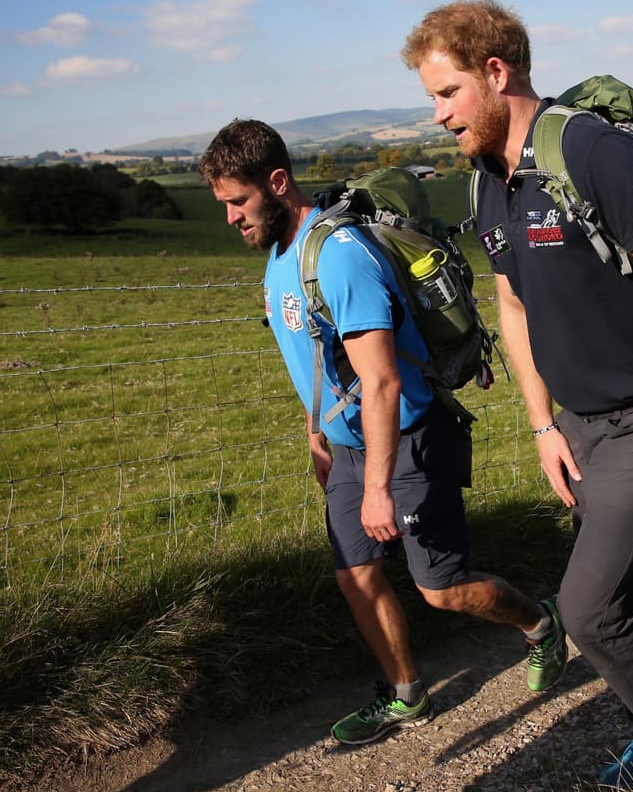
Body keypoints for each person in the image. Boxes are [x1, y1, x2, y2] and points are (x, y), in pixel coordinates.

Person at [401, 0, 633, 792]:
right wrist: (543, 424)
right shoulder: (487, 182)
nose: (437, 114)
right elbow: (513, 308)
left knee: (584, 607)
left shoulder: (590, 150)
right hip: (580, 425)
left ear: (496, 73)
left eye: (445, 93)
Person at [198, 119, 567, 746]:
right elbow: (311, 356)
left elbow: (383, 384)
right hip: (347, 447)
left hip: (410, 446)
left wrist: (376, 488)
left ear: (278, 182)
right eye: (224, 204)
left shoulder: (337, 255)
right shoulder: (280, 258)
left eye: (238, 201)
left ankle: (540, 624)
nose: (231, 217)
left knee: (441, 589)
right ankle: (406, 695)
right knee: (355, 573)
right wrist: (317, 434)